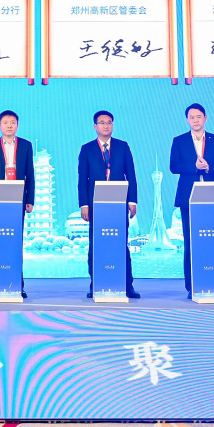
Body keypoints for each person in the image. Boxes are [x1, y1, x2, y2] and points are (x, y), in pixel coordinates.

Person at [168, 102, 214, 298]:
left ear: (205, 118)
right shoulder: (179, 141)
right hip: (188, 196)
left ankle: (213, 281)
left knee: (212, 240)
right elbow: (173, 166)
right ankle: (192, 286)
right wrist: (194, 166)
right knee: (191, 241)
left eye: (199, 117)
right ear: (187, 120)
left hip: (212, 196)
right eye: (192, 117)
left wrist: (209, 167)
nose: (195, 120)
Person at [77, 110, 140, 299]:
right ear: (95, 126)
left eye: (109, 122)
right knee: (96, 244)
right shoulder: (87, 149)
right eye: (102, 122)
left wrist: (132, 200)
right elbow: (82, 179)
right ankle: (95, 283)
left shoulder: (123, 146)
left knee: (121, 243)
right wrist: (84, 205)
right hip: (96, 205)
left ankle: (127, 285)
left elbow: (131, 174)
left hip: (119, 203)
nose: (106, 125)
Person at [0, 109, 34, 299]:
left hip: (18, 200)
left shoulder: (26, 145)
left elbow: (30, 174)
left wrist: (30, 199)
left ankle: (18, 284)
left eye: (12, 122)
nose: (9, 125)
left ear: (17, 125)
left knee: (15, 242)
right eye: (5, 122)